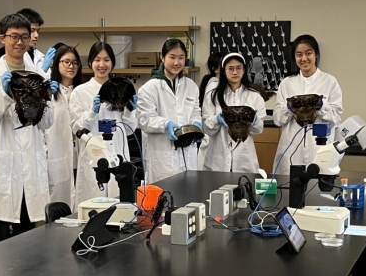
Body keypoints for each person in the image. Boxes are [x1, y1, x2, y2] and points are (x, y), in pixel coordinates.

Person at [0, 12, 56, 244]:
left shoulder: (38, 74)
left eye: (24, 36)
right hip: (3, 163)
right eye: (13, 36)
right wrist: (4, 94)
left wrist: (46, 97)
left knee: (27, 234)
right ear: (2, 38)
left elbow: (47, 123)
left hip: (30, 163)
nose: (19, 42)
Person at [70, 41, 138, 206]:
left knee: (120, 208)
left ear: (112, 63)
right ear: (90, 63)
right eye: (97, 60)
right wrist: (92, 111)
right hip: (93, 157)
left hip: (118, 153)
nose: (102, 64)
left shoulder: (122, 89)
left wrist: (130, 110)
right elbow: (76, 128)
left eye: (106, 60)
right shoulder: (80, 92)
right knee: (93, 207)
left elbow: (130, 130)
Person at [272, 35, 343, 176]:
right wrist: (289, 109)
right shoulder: (287, 83)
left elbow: (336, 116)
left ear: (316, 54)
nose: (304, 59)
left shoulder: (329, 81)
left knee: (316, 191)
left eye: (308, 53)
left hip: (318, 148)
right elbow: (277, 119)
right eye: (299, 55)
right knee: (288, 191)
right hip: (291, 149)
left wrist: (321, 106)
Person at [137, 38, 201, 184]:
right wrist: (165, 124)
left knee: (189, 197)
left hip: (188, 153)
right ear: (162, 57)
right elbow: (144, 120)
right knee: (164, 198)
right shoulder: (149, 88)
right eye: (172, 57)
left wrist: (197, 124)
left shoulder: (191, 86)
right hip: (162, 155)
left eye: (181, 58)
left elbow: (196, 111)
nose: (176, 63)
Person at [201, 52, 264, 173]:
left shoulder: (254, 96)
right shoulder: (212, 96)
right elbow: (207, 129)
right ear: (224, 71)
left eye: (238, 68)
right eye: (230, 69)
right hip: (217, 159)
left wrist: (254, 120)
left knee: (244, 189)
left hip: (245, 159)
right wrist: (216, 119)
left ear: (244, 70)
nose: (235, 72)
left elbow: (258, 130)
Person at [44, 43, 81, 209]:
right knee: (58, 204)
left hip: (79, 157)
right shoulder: (49, 93)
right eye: (66, 62)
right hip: (56, 156)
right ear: (56, 64)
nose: (71, 66)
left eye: (74, 62)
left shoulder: (81, 92)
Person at [19, 7, 51, 72]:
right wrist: (43, 70)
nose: (36, 35)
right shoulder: (17, 57)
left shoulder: (41, 57)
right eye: (32, 30)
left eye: (37, 31)